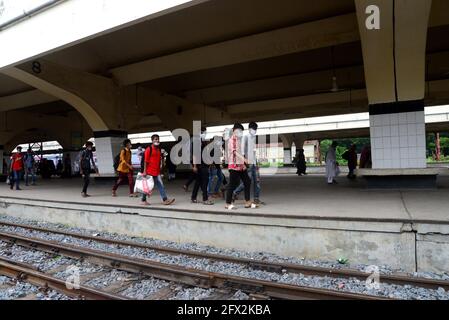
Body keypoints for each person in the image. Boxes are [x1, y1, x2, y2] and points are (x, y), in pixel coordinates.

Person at [232, 122, 263, 205]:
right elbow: (242, 152)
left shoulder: (254, 138)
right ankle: (235, 193)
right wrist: (244, 163)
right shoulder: (245, 137)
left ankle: (256, 198)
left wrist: (257, 162)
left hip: (254, 163)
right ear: (249, 129)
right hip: (248, 164)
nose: (255, 131)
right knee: (247, 181)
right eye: (253, 129)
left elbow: (254, 152)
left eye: (256, 129)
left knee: (257, 181)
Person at [225, 123, 253, 210]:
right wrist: (244, 160)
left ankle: (247, 201)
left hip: (240, 165)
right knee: (232, 184)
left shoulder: (238, 140)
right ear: (234, 130)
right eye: (239, 131)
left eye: (241, 131)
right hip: (234, 166)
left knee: (247, 181)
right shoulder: (231, 140)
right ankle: (228, 203)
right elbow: (234, 152)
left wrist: (243, 164)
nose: (240, 132)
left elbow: (240, 152)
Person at [141, 134, 175, 206]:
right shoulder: (149, 149)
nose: (157, 140)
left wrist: (161, 169)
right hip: (149, 171)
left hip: (156, 171)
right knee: (148, 186)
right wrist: (144, 171)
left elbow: (159, 160)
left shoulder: (159, 149)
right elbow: (145, 161)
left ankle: (165, 199)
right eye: (155, 139)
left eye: (158, 139)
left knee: (160, 185)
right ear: (152, 140)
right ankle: (143, 200)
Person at [191, 131, 213, 205]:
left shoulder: (203, 143)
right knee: (205, 182)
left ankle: (193, 198)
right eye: (203, 132)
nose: (205, 134)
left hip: (203, 165)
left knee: (198, 182)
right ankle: (205, 199)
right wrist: (194, 166)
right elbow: (194, 155)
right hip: (201, 166)